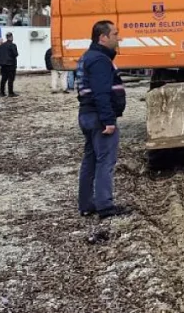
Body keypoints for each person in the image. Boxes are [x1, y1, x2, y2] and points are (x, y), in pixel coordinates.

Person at [76, 20, 131, 219]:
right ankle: (105, 206)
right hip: (98, 117)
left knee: (90, 160)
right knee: (105, 161)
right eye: (115, 34)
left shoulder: (87, 57)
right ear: (103, 37)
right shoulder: (99, 60)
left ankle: (86, 204)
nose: (119, 38)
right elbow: (101, 92)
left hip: (87, 114)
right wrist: (108, 120)